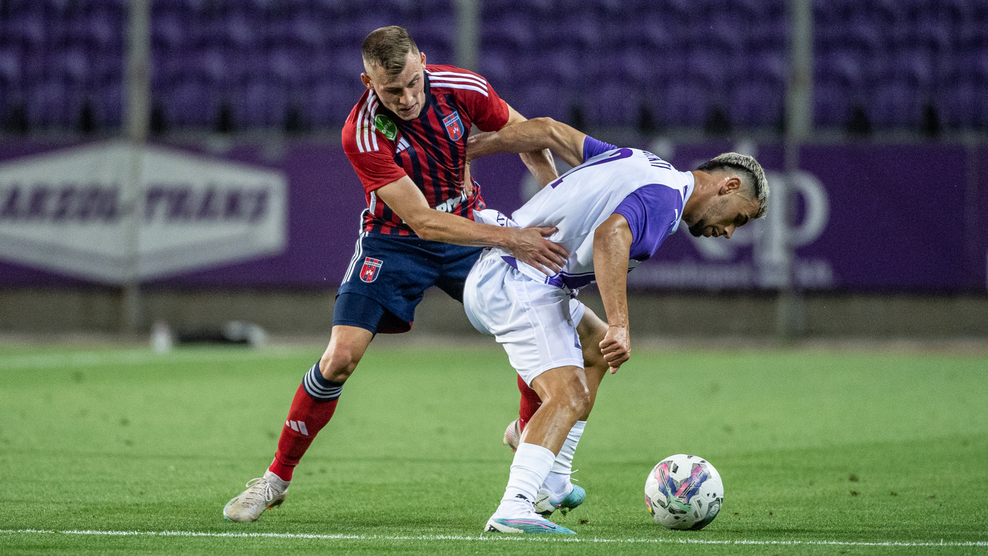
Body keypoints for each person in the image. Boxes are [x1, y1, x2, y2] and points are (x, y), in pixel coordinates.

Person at [223, 26, 569, 522]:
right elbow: (423, 222)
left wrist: (557, 202)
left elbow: (530, 135)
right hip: (395, 241)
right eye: (392, 91)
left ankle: (524, 437)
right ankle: (275, 479)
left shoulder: (463, 87)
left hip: (467, 228)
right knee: (339, 358)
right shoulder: (361, 132)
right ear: (368, 83)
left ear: (423, 62)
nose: (406, 98)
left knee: (533, 326)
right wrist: (513, 238)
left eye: (412, 83)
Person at [462, 117, 769, 534]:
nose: (731, 232)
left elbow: (549, 131)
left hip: (516, 277)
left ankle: (553, 482)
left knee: (594, 348)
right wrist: (621, 326)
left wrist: (468, 149)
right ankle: (514, 506)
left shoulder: (641, 162)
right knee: (569, 394)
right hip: (517, 283)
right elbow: (610, 236)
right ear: (729, 186)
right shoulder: (666, 198)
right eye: (739, 219)